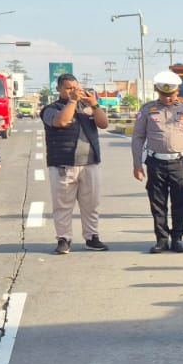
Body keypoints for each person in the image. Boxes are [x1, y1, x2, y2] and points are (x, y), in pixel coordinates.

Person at [133, 71, 183, 254]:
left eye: (171, 94)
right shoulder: (147, 110)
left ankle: (177, 238)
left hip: (180, 163)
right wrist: (137, 164)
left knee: (180, 201)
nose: (168, 98)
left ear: (177, 91)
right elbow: (138, 137)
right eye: (164, 95)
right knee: (157, 202)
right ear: (157, 91)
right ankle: (161, 239)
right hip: (155, 162)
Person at [42, 74, 111, 255]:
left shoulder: (86, 108)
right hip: (63, 164)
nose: (73, 91)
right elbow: (61, 121)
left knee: (91, 204)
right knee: (63, 204)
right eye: (68, 88)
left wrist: (94, 104)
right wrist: (72, 102)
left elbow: (104, 124)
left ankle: (92, 237)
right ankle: (64, 238)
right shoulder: (51, 109)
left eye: (75, 87)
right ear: (58, 89)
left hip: (89, 163)